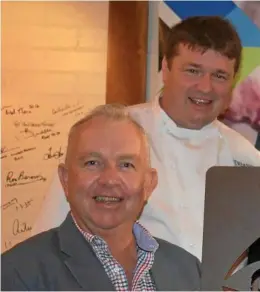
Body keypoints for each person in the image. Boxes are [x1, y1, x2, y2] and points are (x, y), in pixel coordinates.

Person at [32, 16, 260, 262]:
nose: (205, 87)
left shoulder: (245, 156)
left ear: (233, 81)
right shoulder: (110, 132)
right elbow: (47, 238)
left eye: (219, 76)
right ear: (166, 68)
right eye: (193, 71)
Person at [1, 104, 201, 291]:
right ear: (65, 179)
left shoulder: (189, 271)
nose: (110, 179)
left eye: (126, 165)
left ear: (148, 184)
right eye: (92, 163)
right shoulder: (17, 273)